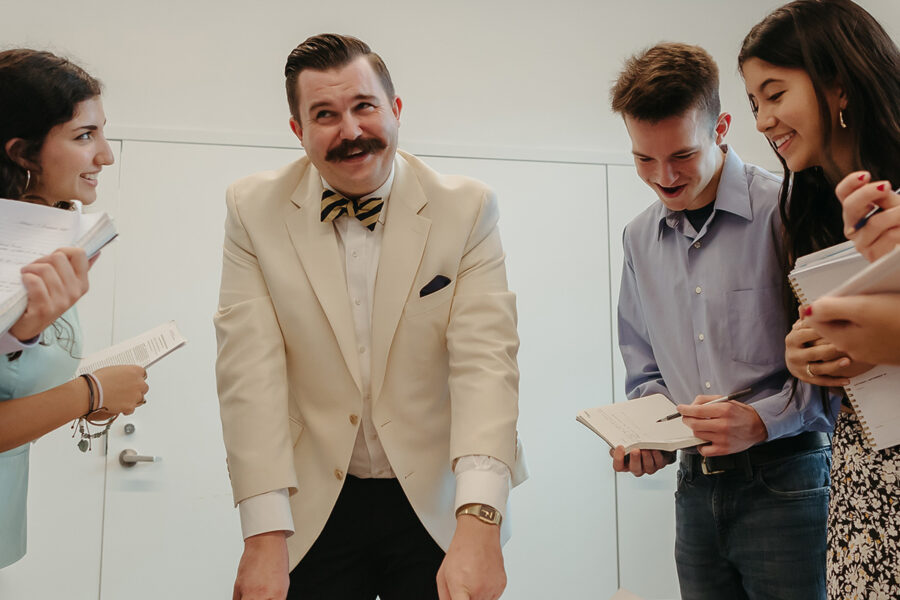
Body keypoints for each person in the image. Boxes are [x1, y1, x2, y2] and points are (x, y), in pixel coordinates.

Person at [214, 33, 526, 600]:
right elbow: (249, 378)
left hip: (436, 496)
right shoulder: (251, 210)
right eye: (325, 114)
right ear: (297, 130)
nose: (351, 130)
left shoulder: (467, 207)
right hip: (312, 504)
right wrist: (262, 535)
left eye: (364, 107)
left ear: (395, 110)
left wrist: (481, 520)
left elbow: (486, 367)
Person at [610, 42, 836, 599]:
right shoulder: (639, 237)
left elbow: (840, 366)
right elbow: (646, 373)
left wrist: (762, 421)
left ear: (723, 126)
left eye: (681, 155)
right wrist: (646, 435)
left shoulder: (789, 208)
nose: (663, 177)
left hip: (792, 482)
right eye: (643, 159)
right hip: (693, 490)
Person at [740, 1, 900, 597]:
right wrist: (810, 357)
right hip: (865, 483)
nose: (762, 120)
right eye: (755, 103)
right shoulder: (808, 210)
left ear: (838, 83)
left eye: (775, 94)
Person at [0, 49, 149, 569]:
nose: (105, 155)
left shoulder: (48, 245)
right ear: (22, 152)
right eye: (84, 136)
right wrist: (91, 392)